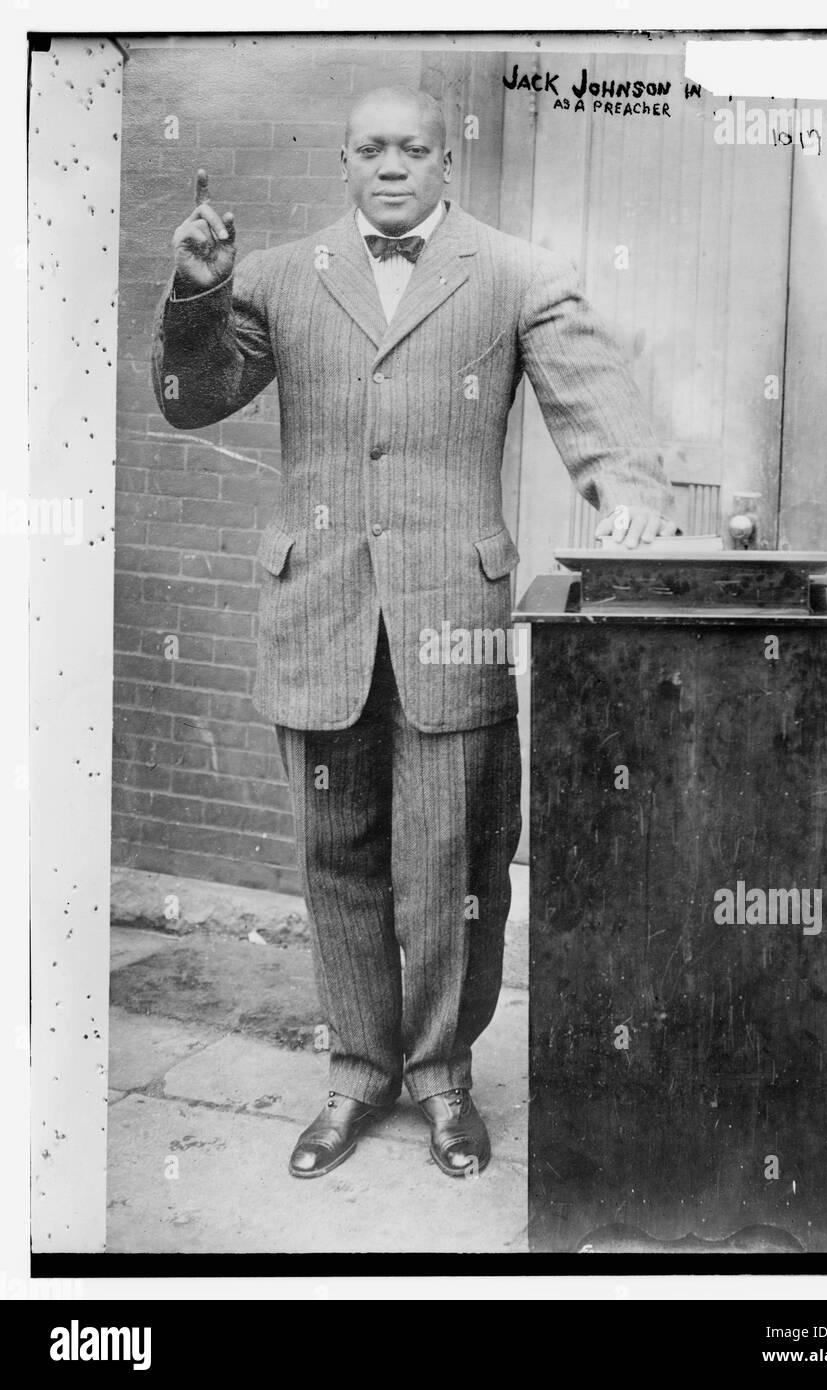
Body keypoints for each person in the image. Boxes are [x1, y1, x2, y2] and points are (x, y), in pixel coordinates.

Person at [152, 86, 677, 1182]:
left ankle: (442, 1080)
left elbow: (598, 411)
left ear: (450, 161)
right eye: (370, 151)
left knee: (453, 866)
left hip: (453, 625)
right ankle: (355, 1073)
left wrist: (623, 491)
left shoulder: (516, 273)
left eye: (413, 150)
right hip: (318, 615)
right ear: (344, 162)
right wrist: (197, 299)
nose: (391, 168)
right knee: (335, 859)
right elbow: (191, 400)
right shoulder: (281, 277)